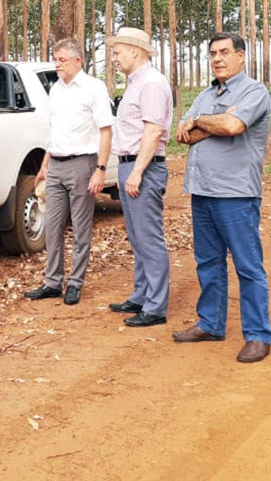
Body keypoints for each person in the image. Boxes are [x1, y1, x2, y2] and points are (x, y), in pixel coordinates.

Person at [173, 32, 271, 363]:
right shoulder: (206, 93)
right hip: (202, 191)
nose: (217, 58)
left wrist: (201, 121)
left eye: (224, 52)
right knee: (208, 262)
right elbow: (182, 135)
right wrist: (207, 123)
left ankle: (258, 335)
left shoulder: (254, 92)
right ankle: (211, 323)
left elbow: (233, 126)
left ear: (241, 56)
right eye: (213, 53)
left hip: (235, 194)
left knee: (248, 265)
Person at [24, 38, 114, 306]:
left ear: (78, 61)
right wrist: (44, 164)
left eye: (61, 60)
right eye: (55, 59)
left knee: (80, 226)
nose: (57, 64)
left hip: (82, 164)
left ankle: (75, 283)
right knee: (52, 226)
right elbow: (55, 132)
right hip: (56, 165)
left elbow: (106, 131)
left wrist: (100, 170)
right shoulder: (56, 90)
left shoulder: (93, 88)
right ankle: (52, 281)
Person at [104, 27, 174, 328]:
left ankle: (155, 307)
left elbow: (153, 130)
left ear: (135, 50)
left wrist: (137, 172)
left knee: (149, 238)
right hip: (129, 165)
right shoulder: (135, 84)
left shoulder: (152, 83)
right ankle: (142, 294)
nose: (114, 58)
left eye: (117, 51)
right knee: (137, 237)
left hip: (143, 167)